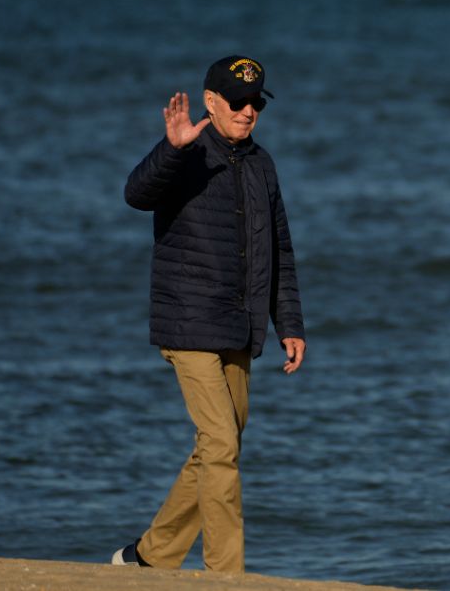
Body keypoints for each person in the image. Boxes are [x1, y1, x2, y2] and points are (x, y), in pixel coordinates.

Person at [111, 55, 307, 573]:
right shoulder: (185, 153)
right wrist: (170, 151)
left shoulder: (263, 164)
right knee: (219, 443)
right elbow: (136, 194)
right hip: (189, 320)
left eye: (255, 104)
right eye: (237, 103)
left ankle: (148, 557)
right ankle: (226, 576)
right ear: (211, 102)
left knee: (218, 448)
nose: (247, 112)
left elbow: (279, 249)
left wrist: (289, 323)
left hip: (240, 326)